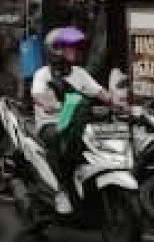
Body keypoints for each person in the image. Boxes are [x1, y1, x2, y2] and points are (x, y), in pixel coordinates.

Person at [29, 26, 111, 188]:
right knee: (61, 145)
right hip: (51, 123)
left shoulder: (80, 73)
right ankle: (60, 187)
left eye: (75, 46)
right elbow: (38, 96)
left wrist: (121, 103)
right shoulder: (43, 74)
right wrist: (51, 104)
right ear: (55, 49)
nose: (74, 50)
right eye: (69, 46)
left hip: (75, 123)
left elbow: (101, 93)